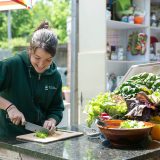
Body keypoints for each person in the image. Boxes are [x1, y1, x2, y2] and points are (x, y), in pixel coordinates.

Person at [0, 21, 64, 138]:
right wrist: (10, 107)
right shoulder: (12, 65)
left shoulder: (55, 77)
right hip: (7, 139)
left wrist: (52, 120)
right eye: (37, 58)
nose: (41, 65)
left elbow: (56, 108)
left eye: (48, 60)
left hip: (39, 139)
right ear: (30, 50)